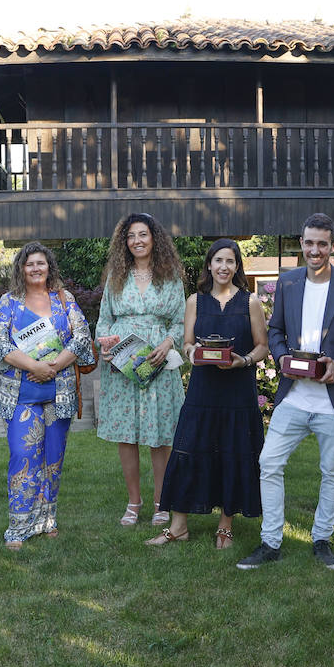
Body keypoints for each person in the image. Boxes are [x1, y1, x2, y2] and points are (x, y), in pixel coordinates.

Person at [236, 213, 334, 571]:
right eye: (309, 242)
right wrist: (281, 358)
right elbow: (277, 330)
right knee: (268, 463)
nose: (314, 250)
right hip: (294, 395)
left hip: (332, 399)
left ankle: (322, 539)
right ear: (302, 243)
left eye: (322, 244)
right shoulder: (288, 282)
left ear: (333, 246)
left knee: (332, 471)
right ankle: (270, 541)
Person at [152, 239, 269, 548]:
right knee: (188, 449)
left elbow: (262, 347)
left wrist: (243, 360)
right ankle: (178, 526)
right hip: (203, 390)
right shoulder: (195, 301)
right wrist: (193, 353)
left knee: (232, 452)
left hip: (238, 392)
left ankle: (225, 525)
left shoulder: (250, 302)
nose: (223, 267)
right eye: (218, 260)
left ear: (237, 267)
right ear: (209, 265)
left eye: (230, 261)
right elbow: (187, 342)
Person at [0, 243, 94, 548]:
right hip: (21, 394)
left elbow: (82, 335)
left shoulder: (64, 300)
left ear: (50, 268)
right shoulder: (9, 303)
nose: (36, 268)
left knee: (52, 459)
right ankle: (19, 526)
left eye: (41, 264)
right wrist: (35, 366)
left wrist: (56, 365)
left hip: (59, 394)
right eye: (29, 264)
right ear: (21, 268)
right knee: (23, 457)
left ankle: (47, 519)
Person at [95, 213, 186, 528]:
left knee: (160, 436)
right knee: (127, 434)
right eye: (131, 236)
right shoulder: (117, 277)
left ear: (154, 238)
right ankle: (134, 502)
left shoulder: (170, 276)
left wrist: (169, 344)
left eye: (143, 234)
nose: (137, 240)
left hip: (158, 364)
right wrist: (105, 345)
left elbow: (179, 320)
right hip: (122, 366)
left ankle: (163, 501)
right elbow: (104, 320)